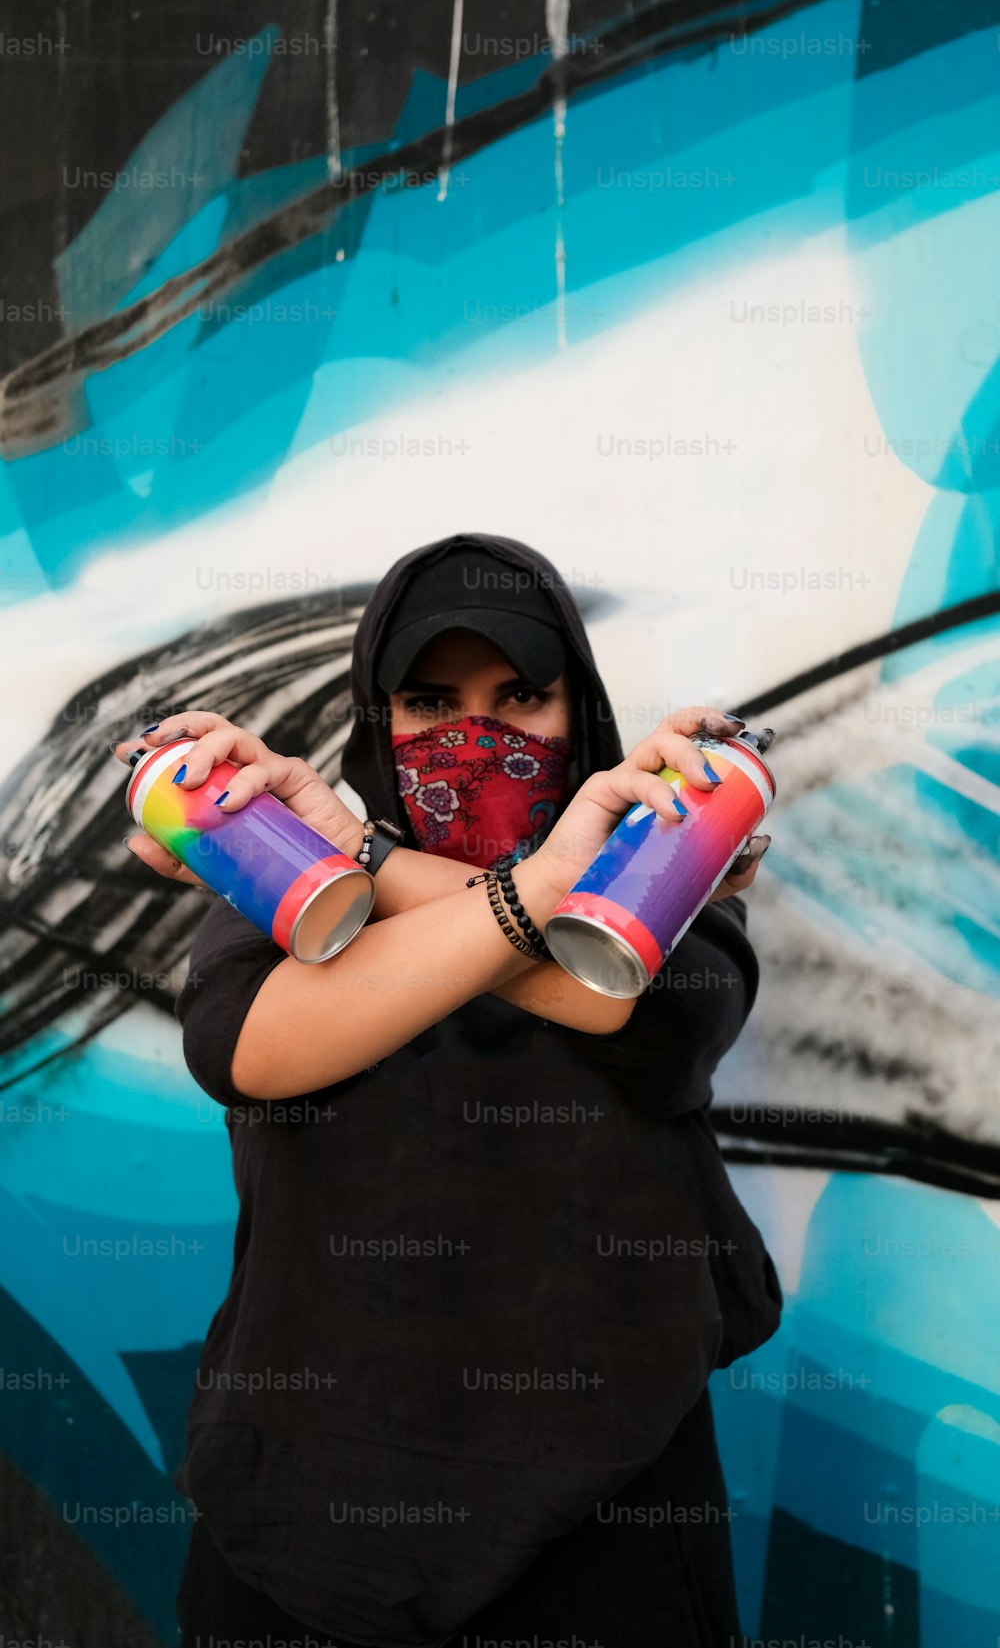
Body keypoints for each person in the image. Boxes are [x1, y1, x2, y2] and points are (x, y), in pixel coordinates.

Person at [115, 530, 782, 1648]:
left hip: (603, 1505)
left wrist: (367, 859)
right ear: (381, 720)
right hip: (303, 1510)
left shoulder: (668, 883)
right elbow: (253, 1053)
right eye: (429, 701)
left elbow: (621, 998)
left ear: (582, 712)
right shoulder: (277, 887)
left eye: (522, 696)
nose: (477, 734)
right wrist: (338, 855)